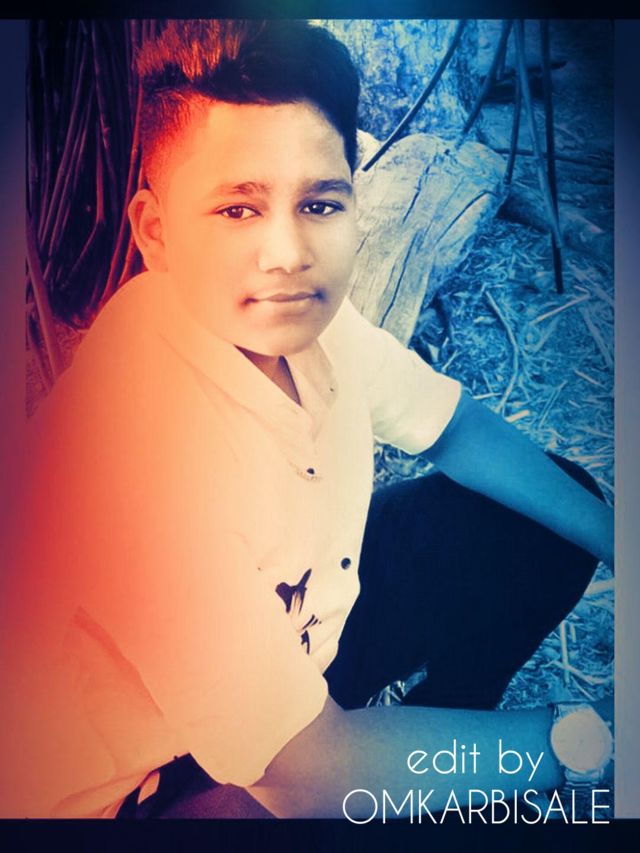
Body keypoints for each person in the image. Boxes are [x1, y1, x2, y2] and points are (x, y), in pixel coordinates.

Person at [0, 20, 614, 820]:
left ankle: (441, 749)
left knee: (550, 515)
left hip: (305, 629)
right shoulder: (126, 453)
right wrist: (581, 742)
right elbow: (305, 772)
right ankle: (447, 768)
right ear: (157, 231)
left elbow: (456, 429)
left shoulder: (306, 325)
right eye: (237, 209)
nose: (288, 252)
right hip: (150, 776)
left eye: (319, 203)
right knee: (285, 805)